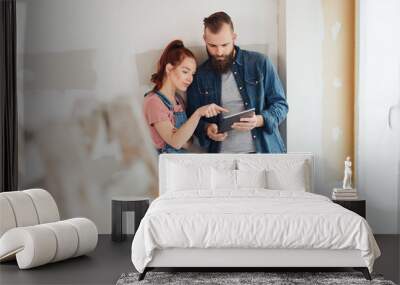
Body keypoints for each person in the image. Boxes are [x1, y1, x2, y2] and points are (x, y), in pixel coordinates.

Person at [186, 12, 289, 153]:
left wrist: (259, 120)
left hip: (264, 154)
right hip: (221, 161)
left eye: (224, 44)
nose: (219, 51)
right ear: (204, 39)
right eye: (212, 45)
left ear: (234, 38)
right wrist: (207, 129)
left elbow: (281, 105)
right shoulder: (199, 75)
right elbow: (192, 118)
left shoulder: (260, 63)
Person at [143, 40, 228, 153]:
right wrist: (198, 113)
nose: (190, 79)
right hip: (165, 166)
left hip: (180, 162)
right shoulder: (153, 102)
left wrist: (181, 137)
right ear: (169, 69)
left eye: (192, 74)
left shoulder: (179, 100)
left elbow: (188, 143)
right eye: (185, 72)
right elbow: (177, 142)